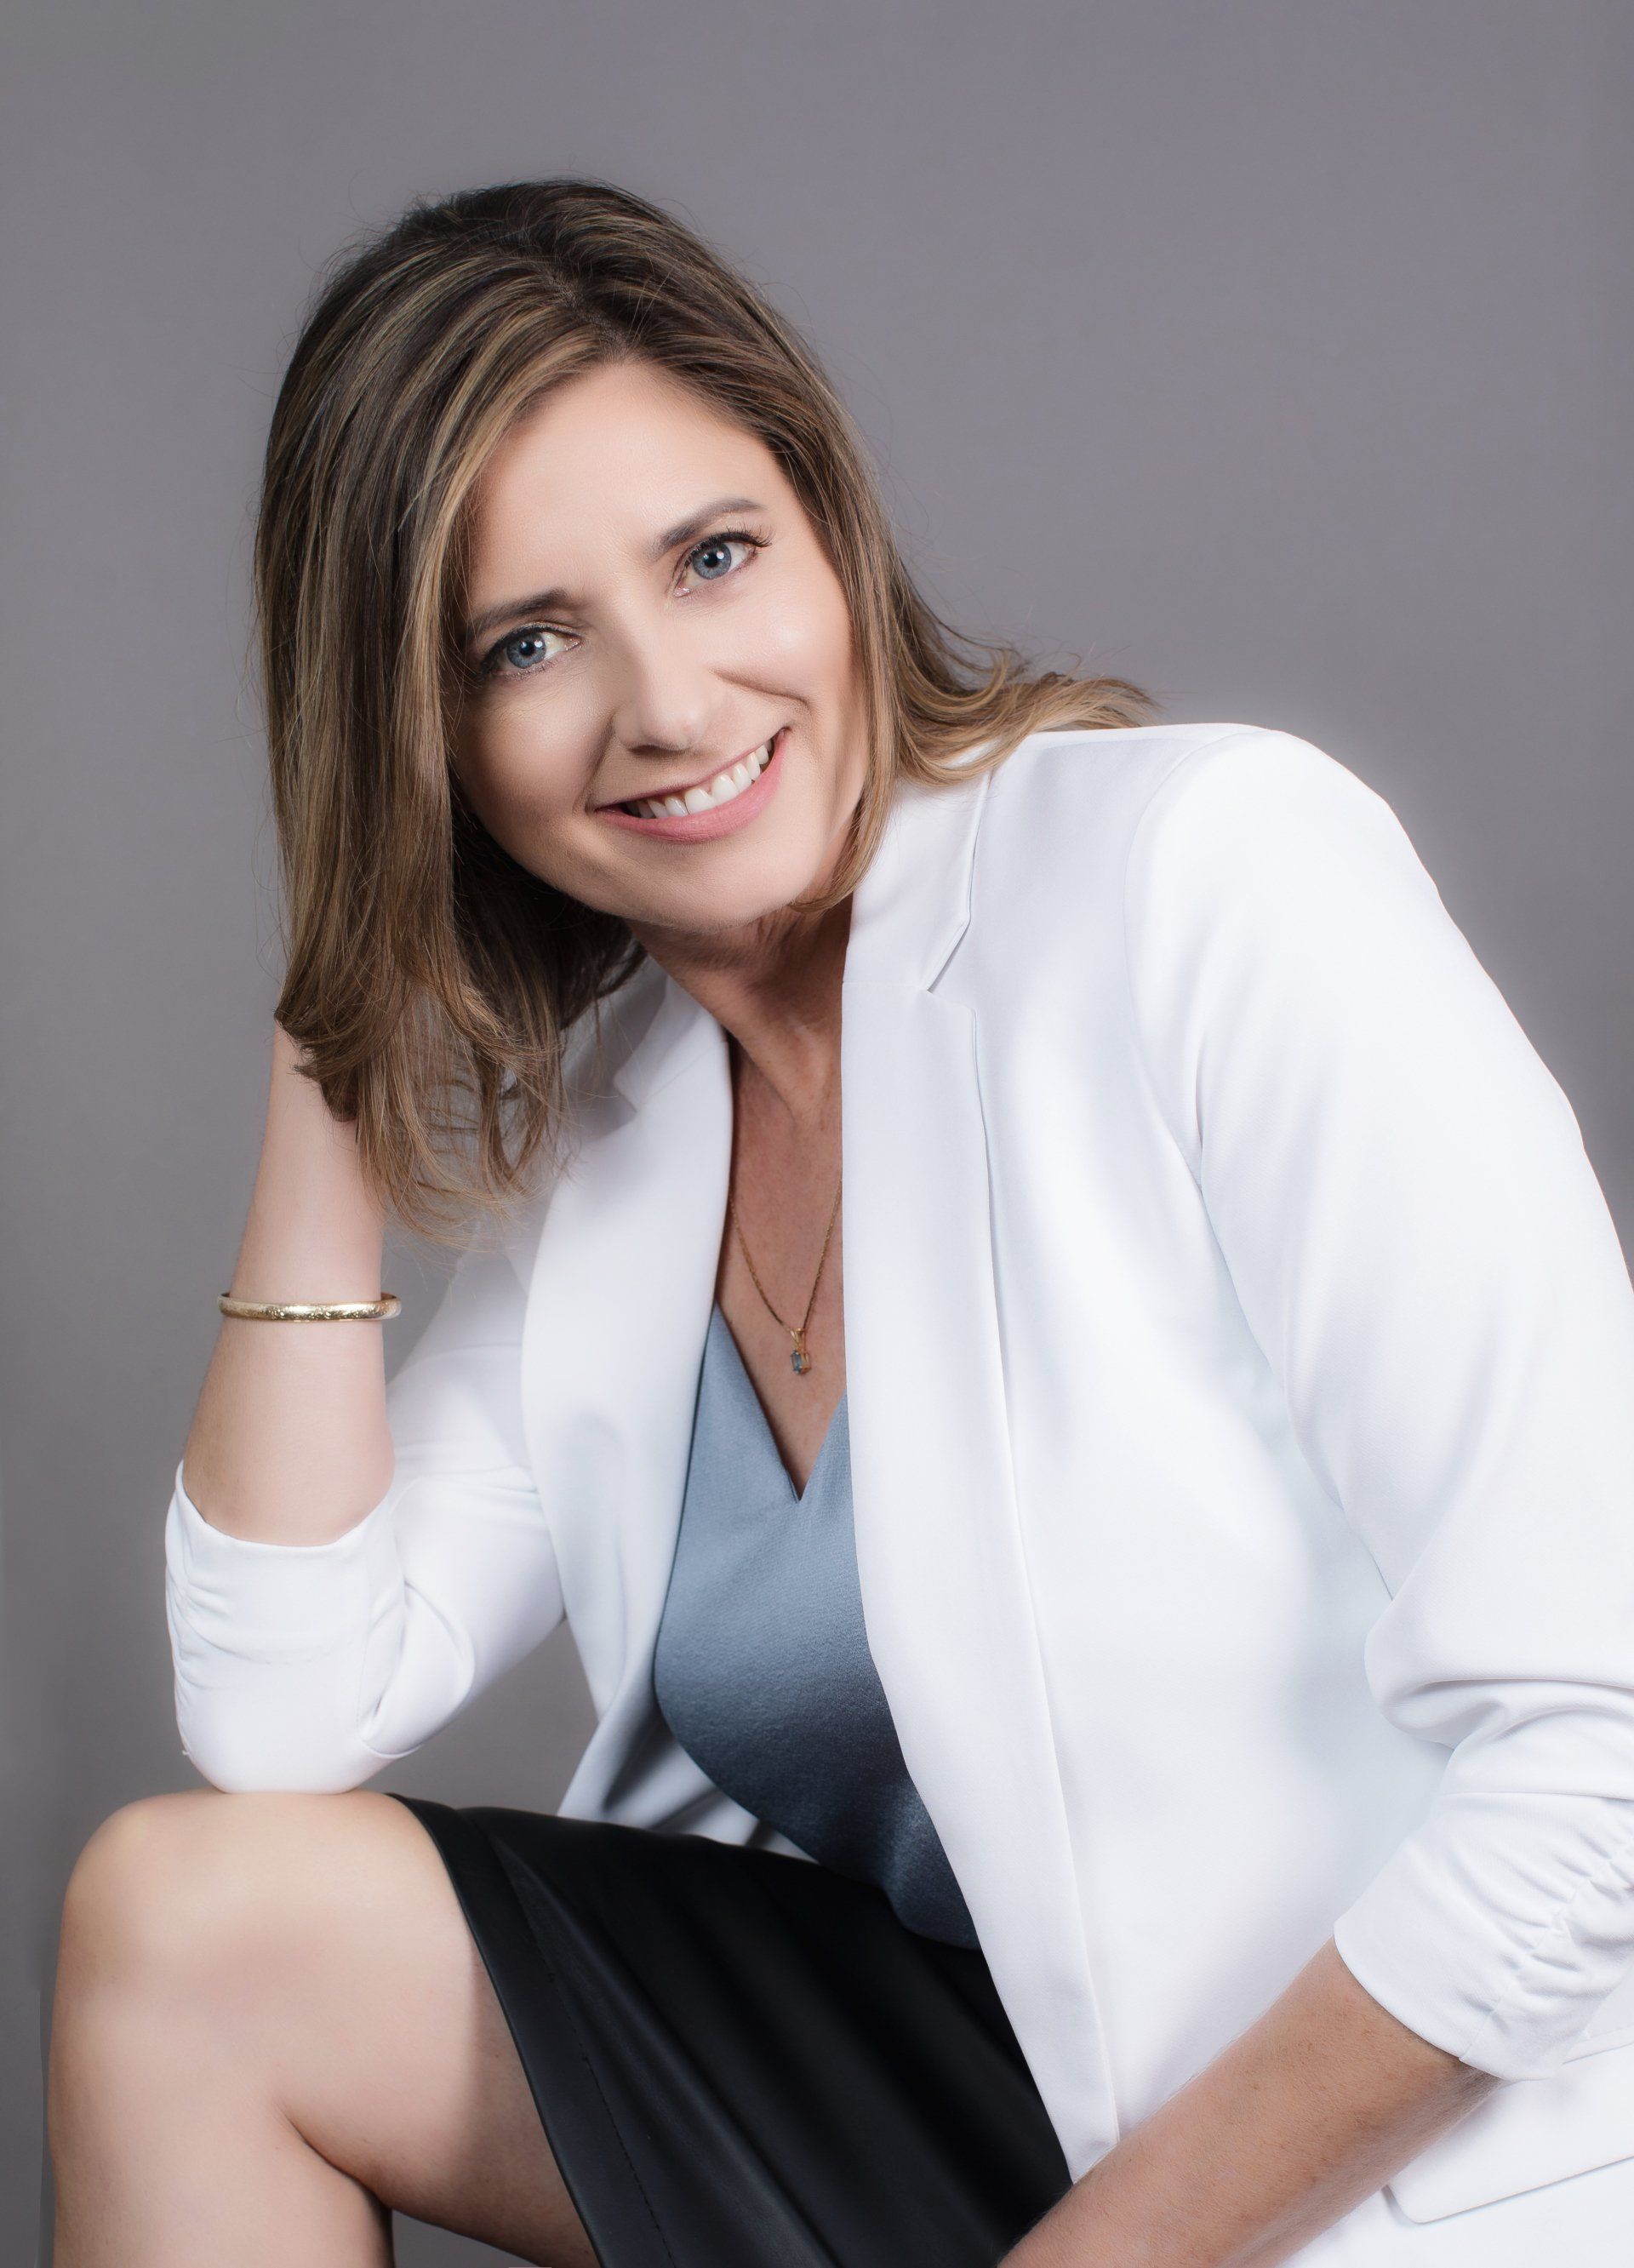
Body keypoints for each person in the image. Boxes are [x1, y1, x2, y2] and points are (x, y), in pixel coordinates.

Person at [46, 177, 1634, 2268]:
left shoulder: (1207, 881)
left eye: (714, 559)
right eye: (530, 643)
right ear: (427, 741)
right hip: (940, 2096)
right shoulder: (636, 1136)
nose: (674, 706)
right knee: (185, 1931)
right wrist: (338, 1013)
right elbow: (280, 1706)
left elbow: (1600, 1756)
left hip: (1352, 2156)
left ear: (830, 529)